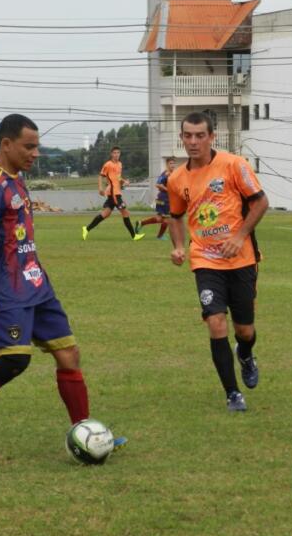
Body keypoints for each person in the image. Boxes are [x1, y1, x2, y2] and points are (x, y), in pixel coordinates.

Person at [0, 114, 126, 455]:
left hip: (36, 282)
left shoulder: (18, 178)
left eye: (37, 146)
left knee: (68, 354)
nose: (35, 153)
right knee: (15, 360)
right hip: (5, 287)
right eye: (29, 146)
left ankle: (85, 430)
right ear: (6, 144)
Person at [167, 112, 269, 412]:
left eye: (200, 135)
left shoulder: (234, 164)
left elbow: (261, 201)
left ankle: (246, 354)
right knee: (215, 322)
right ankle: (232, 394)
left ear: (212, 137)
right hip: (205, 261)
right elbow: (175, 216)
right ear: (182, 137)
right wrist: (178, 246)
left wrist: (239, 236)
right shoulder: (176, 179)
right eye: (188, 135)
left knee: (245, 330)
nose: (193, 141)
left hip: (242, 259)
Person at [81, 146, 145, 241]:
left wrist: (124, 181)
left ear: (120, 154)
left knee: (105, 214)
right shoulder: (108, 164)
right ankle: (134, 236)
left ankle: (86, 229)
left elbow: (118, 178)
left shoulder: (120, 164)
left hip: (116, 192)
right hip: (114, 193)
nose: (116, 155)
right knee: (125, 212)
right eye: (114, 153)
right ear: (111, 154)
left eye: (118, 153)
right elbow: (100, 176)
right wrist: (100, 188)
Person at [136, 157, 174, 239]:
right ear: (167, 164)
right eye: (171, 163)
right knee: (167, 219)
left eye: (173, 163)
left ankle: (141, 223)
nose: (173, 165)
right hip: (164, 199)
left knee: (159, 218)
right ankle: (160, 236)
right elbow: (157, 184)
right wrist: (167, 189)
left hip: (163, 198)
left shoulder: (171, 173)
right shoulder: (166, 174)